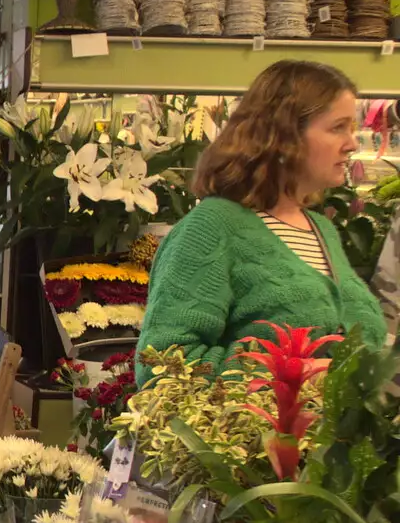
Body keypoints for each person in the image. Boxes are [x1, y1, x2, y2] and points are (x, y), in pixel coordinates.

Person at [136, 59, 387, 386]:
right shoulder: (212, 228)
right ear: (284, 135)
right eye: (338, 127)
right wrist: (297, 374)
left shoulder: (321, 229)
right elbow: (160, 365)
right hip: (254, 436)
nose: (352, 143)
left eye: (352, 129)